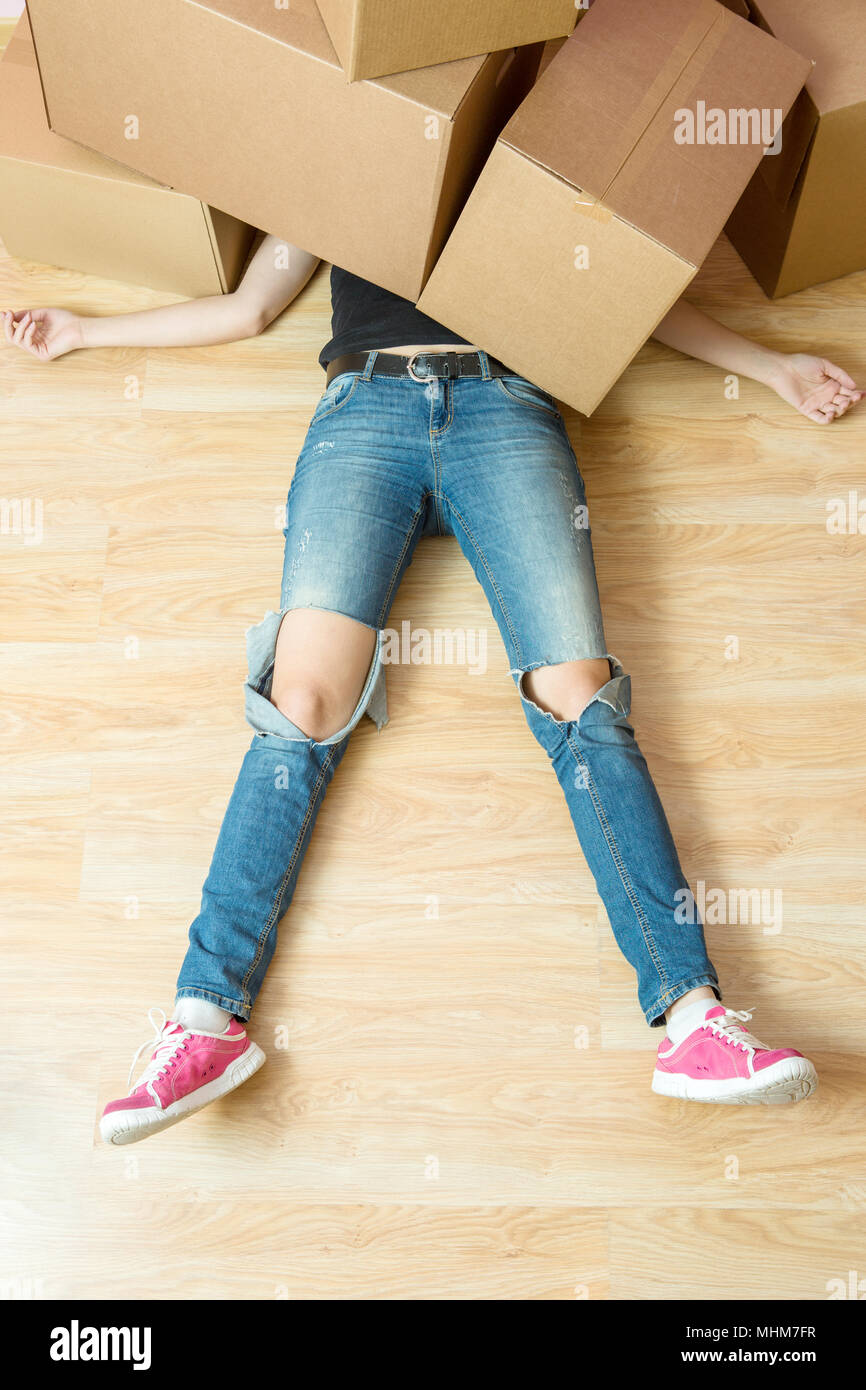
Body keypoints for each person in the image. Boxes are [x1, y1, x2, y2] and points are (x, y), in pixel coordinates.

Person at [4, 233, 861, 1143]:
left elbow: (631, 294)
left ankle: (694, 1025)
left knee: (583, 698)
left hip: (507, 403)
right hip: (363, 411)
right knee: (300, 707)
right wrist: (87, 331)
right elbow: (250, 307)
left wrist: (770, 366)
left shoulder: (540, 160)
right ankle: (205, 1023)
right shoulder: (339, 159)